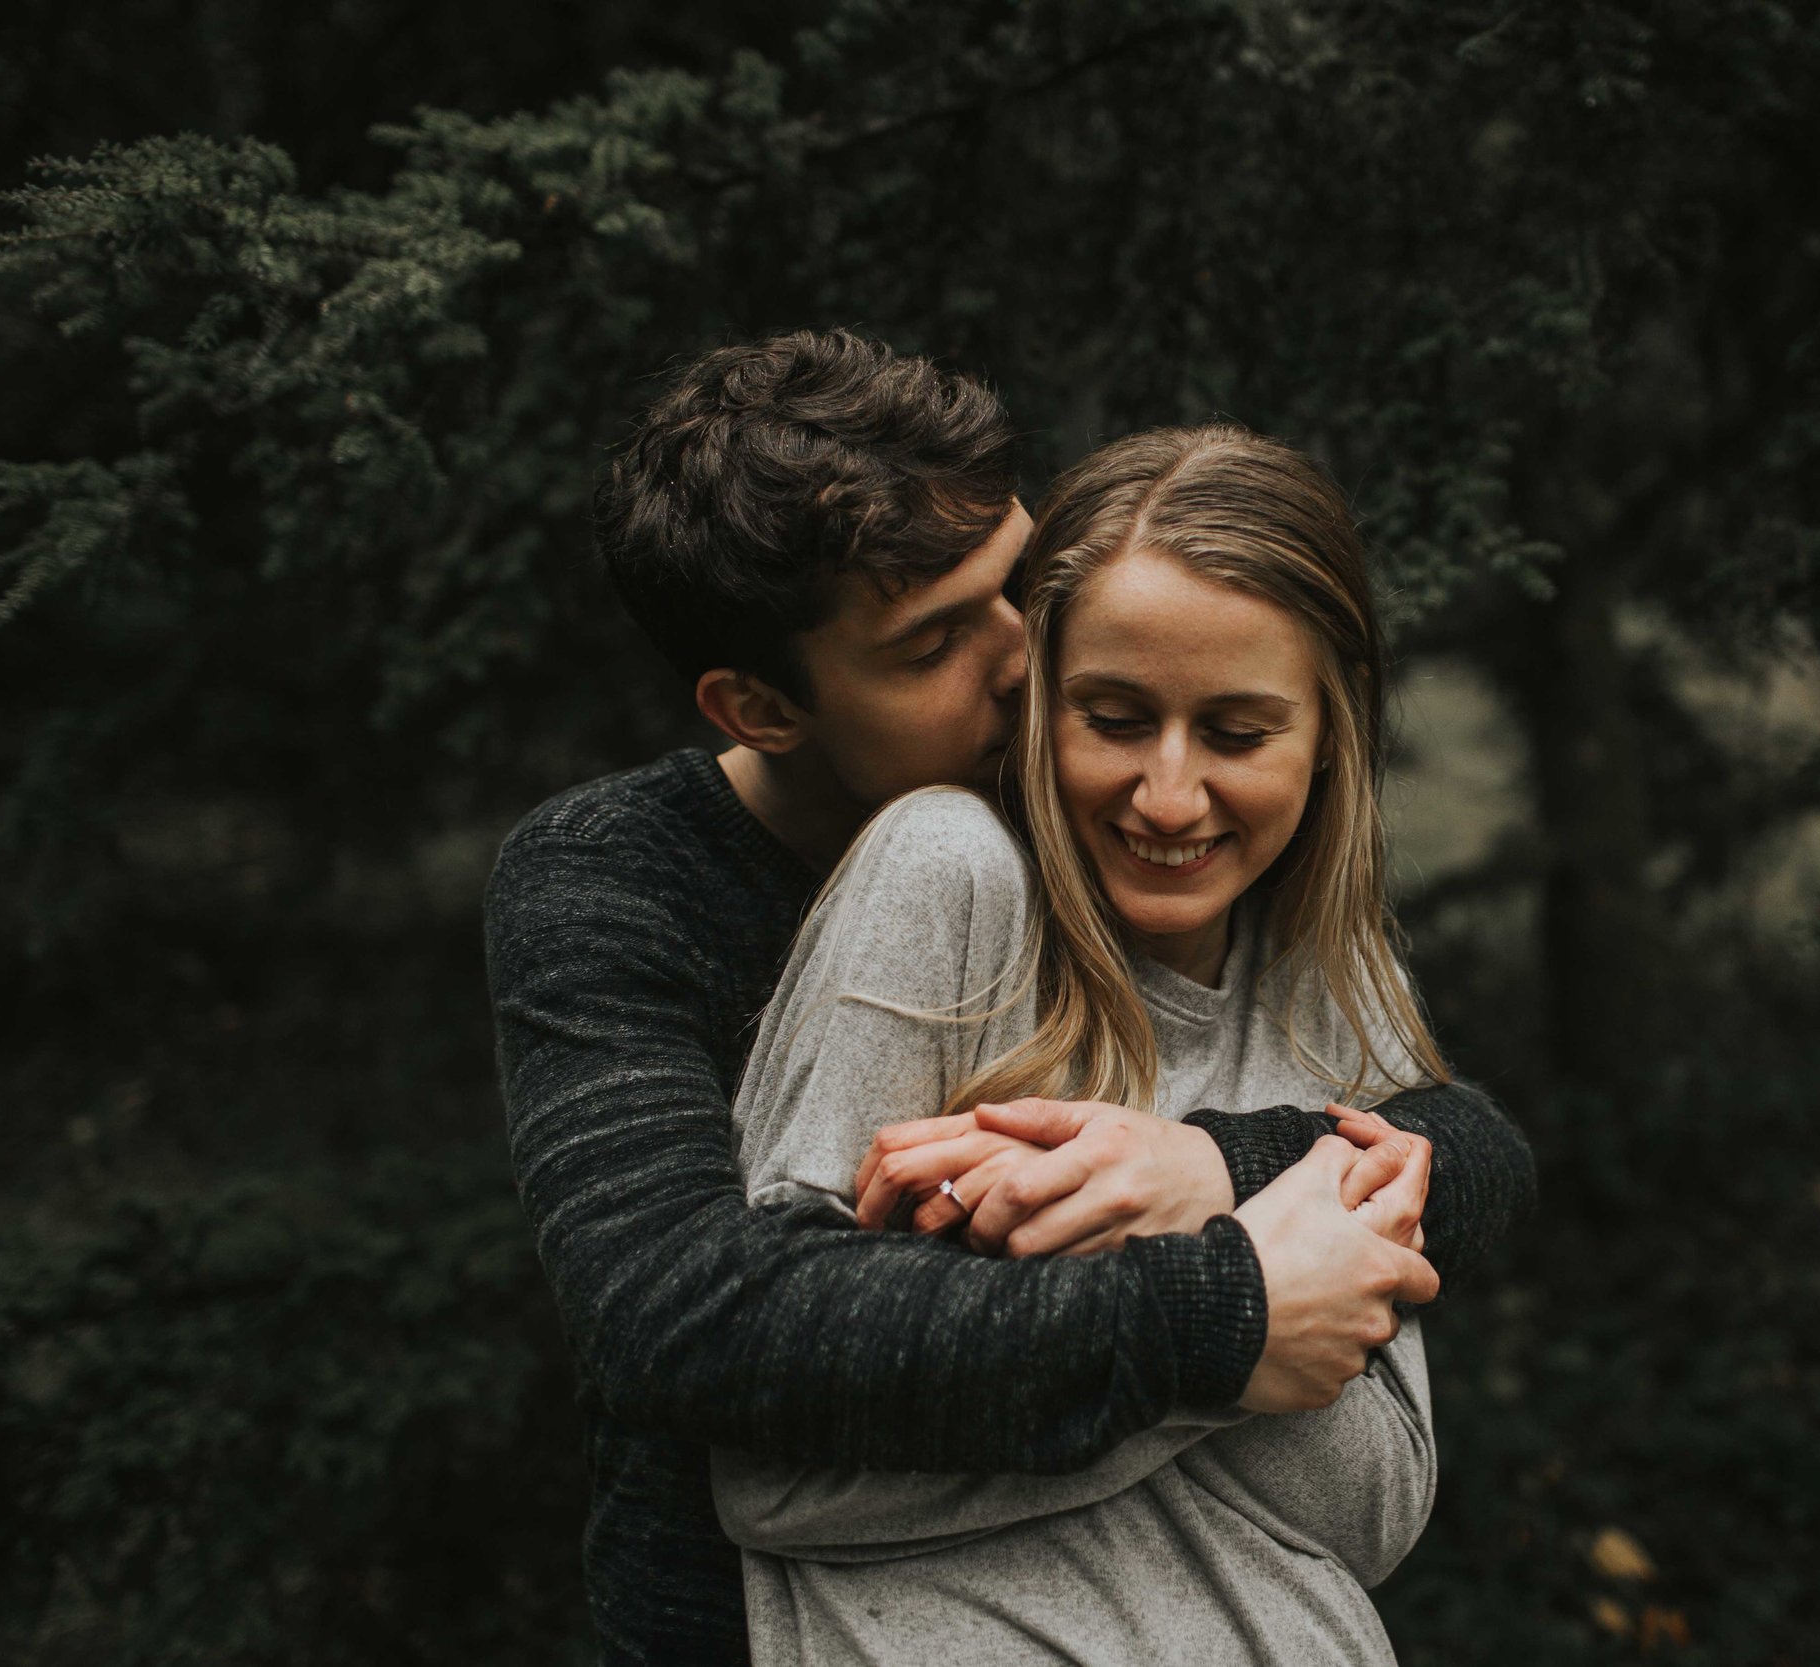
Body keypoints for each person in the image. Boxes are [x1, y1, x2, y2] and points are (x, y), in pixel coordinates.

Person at [483, 330, 1536, 1664]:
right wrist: (1229, 1304)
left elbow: (1465, 1142)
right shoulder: (619, 885)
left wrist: (1215, 1164)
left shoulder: (1130, 819)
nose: (1022, 655)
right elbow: (684, 1315)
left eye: (1019, 585)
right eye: (933, 638)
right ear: (759, 704)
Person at [714, 425, 1456, 1664]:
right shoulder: (944, 880)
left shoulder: (1344, 983)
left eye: (1236, 732)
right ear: (1036, 701)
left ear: (1330, 732)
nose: (1168, 795)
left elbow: (1373, 1511)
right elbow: (775, 1478)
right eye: (1113, 717)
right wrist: (1238, 1304)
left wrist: (1180, 1200)